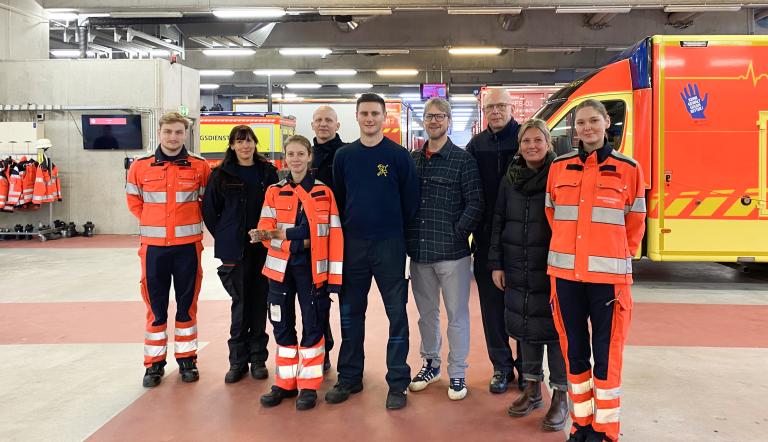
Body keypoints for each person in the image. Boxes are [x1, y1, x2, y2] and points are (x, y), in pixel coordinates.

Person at [545, 99, 646, 442]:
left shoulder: (628, 169)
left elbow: (635, 222)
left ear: (606, 123)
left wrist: (613, 253)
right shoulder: (559, 167)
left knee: (606, 355)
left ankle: (605, 431)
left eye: (593, 121)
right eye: (581, 122)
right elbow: (552, 213)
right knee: (574, 354)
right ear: (575, 128)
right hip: (566, 278)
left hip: (608, 281)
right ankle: (582, 424)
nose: (586, 127)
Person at [326, 93, 419, 410]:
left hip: (390, 246)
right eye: (364, 113)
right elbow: (340, 199)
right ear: (356, 116)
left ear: (383, 117)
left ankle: (398, 383)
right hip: (353, 247)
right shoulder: (344, 156)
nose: (369, 119)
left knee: (397, 315)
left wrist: (393, 231)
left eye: (375, 114)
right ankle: (349, 377)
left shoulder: (399, 156)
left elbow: (410, 202)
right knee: (350, 314)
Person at [488, 119, 568, 431]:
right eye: (526, 141)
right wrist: (497, 263)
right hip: (517, 263)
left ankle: (560, 396)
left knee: (557, 333)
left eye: (538, 140)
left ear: (548, 143)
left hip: (552, 265)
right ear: (519, 145)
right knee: (526, 327)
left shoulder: (561, 174)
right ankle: (532, 389)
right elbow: (499, 220)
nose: (532, 146)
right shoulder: (510, 177)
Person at [253, 135, 344, 411]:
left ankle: (309, 385)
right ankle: (285, 383)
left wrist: (284, 234)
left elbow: (331, 234)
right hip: (279, 269)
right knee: (281, 323)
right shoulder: (273, 191)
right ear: (285, 158)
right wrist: (296, 240)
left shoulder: (324, 193)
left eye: (300, 154)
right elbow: (265, 230)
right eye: (290, 154)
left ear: (309, 157)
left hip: (312, 269)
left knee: (313, 324)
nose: (295, 159)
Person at [405, 98, 483, 401]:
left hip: (452, 255)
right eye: (429, 116)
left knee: (456, 316)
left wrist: (457, 233)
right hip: (420, 252)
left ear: (448, 121)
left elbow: (475, 203)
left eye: (439, 116)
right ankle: (431, 364)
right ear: (423, 121)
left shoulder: (463, 160)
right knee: (426, 315)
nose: (434, 121)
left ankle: (458, 371)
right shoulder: (413, 160)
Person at [126, 112, 211, 388]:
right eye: (168, 132)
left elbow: (206, 202)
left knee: (187, 306)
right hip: (154, 249)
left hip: (188, 248)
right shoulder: (140, 166)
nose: (173, 137)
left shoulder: (200, 166)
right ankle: (154, 364)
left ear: (185, 134)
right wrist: (154, 223)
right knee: (156, 307)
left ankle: (187, 360)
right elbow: (134, 201)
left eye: (178, 132)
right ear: (159, 133)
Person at [202, 125, 279, 384]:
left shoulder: (267, 172)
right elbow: (210, 211)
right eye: (239, 141)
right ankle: (237, 362)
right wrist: (226, 235)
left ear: (255, 144)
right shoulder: (221, 174)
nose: (245, 146)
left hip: (264, 248)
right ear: (232, 145)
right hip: (235, 250)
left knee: (260, 302)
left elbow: (278, 206)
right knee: (240, 303)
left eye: (249, 141)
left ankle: (258, 359)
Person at [466, 88, 523, 393]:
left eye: (501, 106)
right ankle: (501, 367)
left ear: (512, 108)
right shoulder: (476, 146)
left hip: (524, 240)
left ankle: (528, 368)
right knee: (492, 309)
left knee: (525, 308)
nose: (496, 111)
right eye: (490, 107)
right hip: (487, 240)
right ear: (484, 111)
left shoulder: (526, 139)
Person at [310, 105, 345, 371]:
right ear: (313, 125)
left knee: (348, 302)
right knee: (315, 299)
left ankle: (350, 363)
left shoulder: (347, 154)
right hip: (312, 240)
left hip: (342, 238)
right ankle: (321, 350)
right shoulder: (305, 156)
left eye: (328, 120)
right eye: (319, 120)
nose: (323, 124)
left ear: (337, 125)